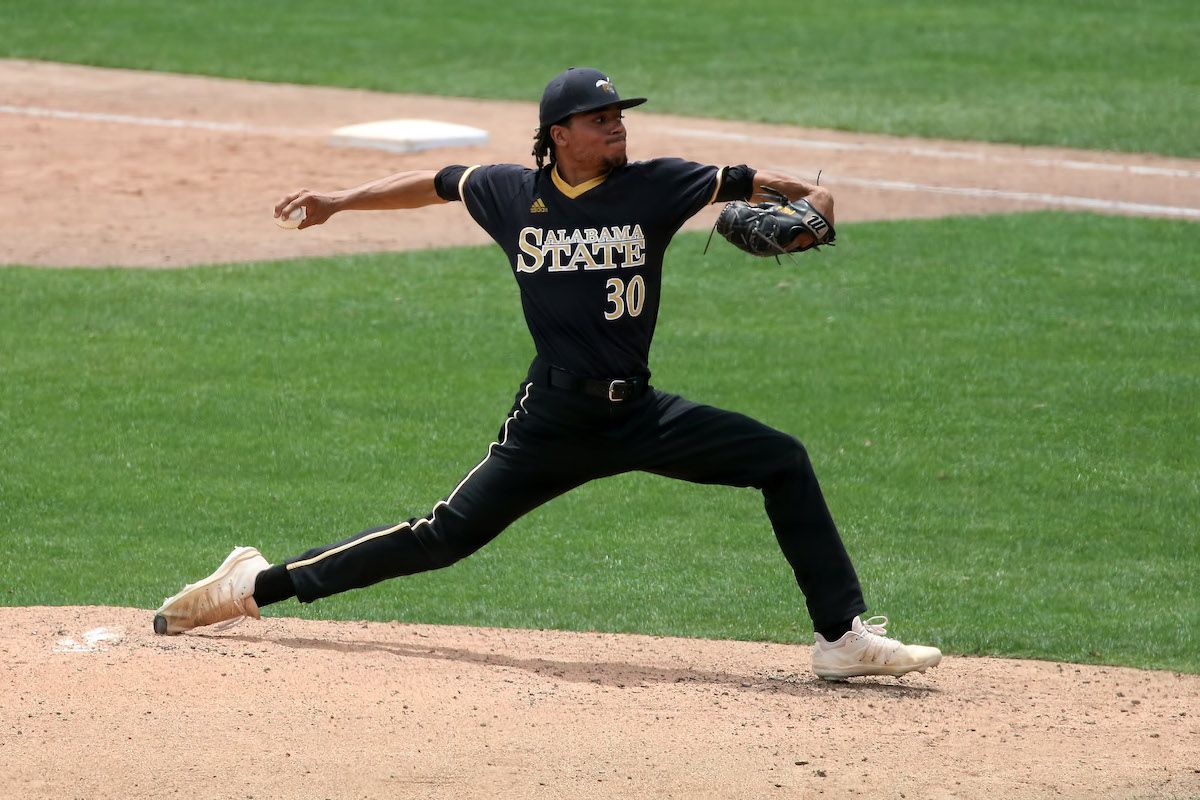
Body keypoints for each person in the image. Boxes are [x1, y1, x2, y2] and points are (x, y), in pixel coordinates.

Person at [153, 67, 941, 681]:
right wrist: (337, 201)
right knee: (441, 537)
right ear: (559, 133)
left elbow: (762, 184)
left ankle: (840, 637)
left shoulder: (657, 184)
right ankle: (254, 586)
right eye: (602, 119)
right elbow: (436, 181)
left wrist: (821, 198)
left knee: (781, 458)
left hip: (640, 415)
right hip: (553, 421)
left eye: (620, 116)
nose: (617, 127)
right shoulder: (512, 194)